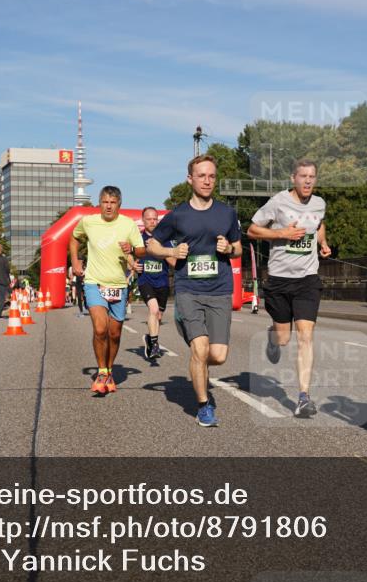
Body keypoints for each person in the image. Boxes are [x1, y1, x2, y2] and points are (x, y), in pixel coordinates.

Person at [146, 154, 242, 427]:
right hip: (189, 289)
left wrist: (229, 248)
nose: (207, 180)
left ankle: (198, 365)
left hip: (220, 289)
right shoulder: (178, 215)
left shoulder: (227, 213)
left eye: (211, 175)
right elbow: (152, 245)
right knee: (200, 350)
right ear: (190, 179)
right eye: (201, 175)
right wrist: (170, 251)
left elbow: (238, 248)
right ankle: (203, 406)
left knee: (218, 356)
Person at [248, 159, 332, 417]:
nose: (308, 181)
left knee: (305, 336)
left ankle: (303, 396)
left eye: (312, 177)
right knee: (284, 338)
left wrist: (323, 242)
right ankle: (273, 334)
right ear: (293, 178)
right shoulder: (277, 202)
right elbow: (252, 230)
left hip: (307, 279)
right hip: (279, 280)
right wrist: (281, 234)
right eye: (303, 176)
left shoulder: (319, 203)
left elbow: (318, 224)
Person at [70, 185, 145, 395]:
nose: (109, 206)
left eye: (113, 202)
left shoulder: (128, 225)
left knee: (115, 333)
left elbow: (142, 250)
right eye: (105, 202)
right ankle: (101, 371)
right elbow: (74, 238)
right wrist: (75, 262)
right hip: (94, 282)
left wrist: (132, 250)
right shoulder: (88, 222)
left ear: (119, 204)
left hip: (119, 285)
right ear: (99, 203)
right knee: (100, 329)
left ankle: (109, 369)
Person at [136, 206, 175, 360]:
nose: (152, 222)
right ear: (143, 221)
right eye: (149, 219)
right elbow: (127, 256)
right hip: (145, 280)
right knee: (153, 310)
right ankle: (155, 345)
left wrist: (160, 249)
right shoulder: (137, 238)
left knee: (158, 316)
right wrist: (132, 264)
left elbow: (173, 262)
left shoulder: (165, 239)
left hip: (163, 282)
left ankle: (149, 338)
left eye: (154, 219)